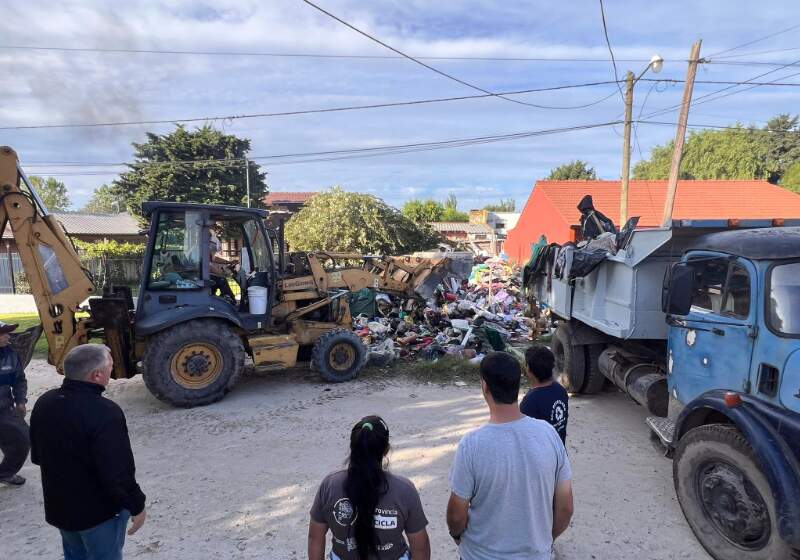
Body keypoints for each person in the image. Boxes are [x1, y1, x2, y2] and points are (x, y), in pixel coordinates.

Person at [447, 352, 573, 560]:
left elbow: (456, 516)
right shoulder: (549, 434)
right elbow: (566, 508)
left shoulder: (471, 445)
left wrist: (456, 535)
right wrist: (544, 541)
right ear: (518, 383)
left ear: (485, 387)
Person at [30, 343, 146, 560]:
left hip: (61, 509)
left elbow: (38, 457)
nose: (112, 370)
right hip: (99, 514)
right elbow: (118, 473)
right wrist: (137, 505)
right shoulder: (106, 412)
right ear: (97, 375)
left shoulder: (44, 402)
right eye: (110, 366)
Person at [308, 415, 430, 560]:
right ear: (386, 450)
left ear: (353, 447)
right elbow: (420, 547)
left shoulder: (330, 485)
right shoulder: (404, 490)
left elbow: (315, 537)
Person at [0, 320, 30, 486]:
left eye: (8, 332)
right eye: (3, 333)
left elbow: (19, 379)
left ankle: (4, 473)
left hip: (4, 407)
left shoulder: (11, 354)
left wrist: (20, 401)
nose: (8, 336)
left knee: (22, 440)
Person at [521, 345, 569, 444]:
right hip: (559, 452)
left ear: (529, 370)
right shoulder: (561, 390)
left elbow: (526, 438)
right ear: (552, 366)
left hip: (542, 457)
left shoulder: (530, 402)